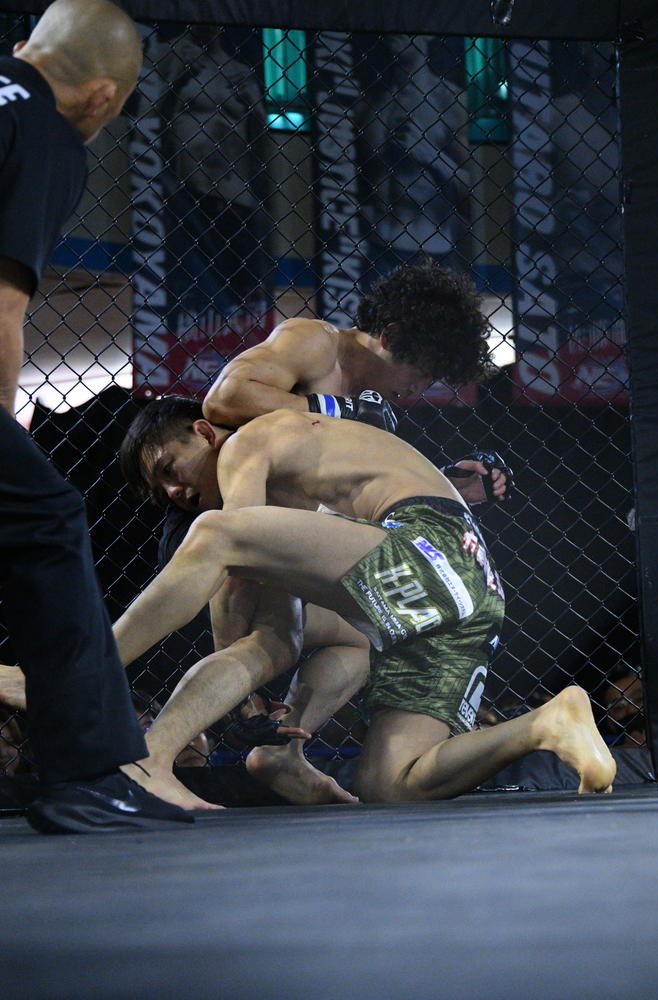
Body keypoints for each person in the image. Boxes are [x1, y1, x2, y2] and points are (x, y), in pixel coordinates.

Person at [111, 398, 616, 807]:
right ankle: (545, 724)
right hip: (469, 592)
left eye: (170, 468)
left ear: (204, 432)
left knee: (215, 534)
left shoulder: (246, 443)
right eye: (161, 490)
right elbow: (277, 623)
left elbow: (236, 553)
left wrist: (243, 697)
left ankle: (98, 666)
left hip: (431, 547)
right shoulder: (297, 496)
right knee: (391, 783)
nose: (174, 490)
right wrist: (252, 691)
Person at [0, 0, 193, 833]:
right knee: (46, 519)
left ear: (23, 47)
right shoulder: (41, 131)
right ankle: (85, 775)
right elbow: (1, 304)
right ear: (103, 97)